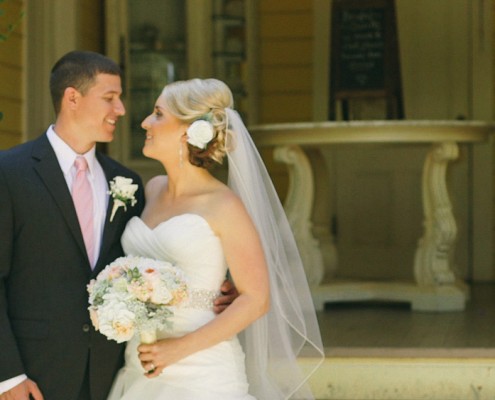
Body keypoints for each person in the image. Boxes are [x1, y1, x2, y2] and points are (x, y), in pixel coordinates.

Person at [0, 51, 236, 400]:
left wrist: (220, 284)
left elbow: (152, 259)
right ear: (72, 98)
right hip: (33, 373)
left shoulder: (126, 181)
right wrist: (7, 377)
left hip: (113, 372)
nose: (122, 110)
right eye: (110, 98)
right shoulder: (9, 173)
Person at [107, 78, 324, 399]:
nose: (144, 122)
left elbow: (256, 298)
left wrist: (177, 349)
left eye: (157, 114)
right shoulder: (152, 189)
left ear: (188, 130)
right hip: (140, 365)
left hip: (202, 372)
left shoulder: (223, 205)